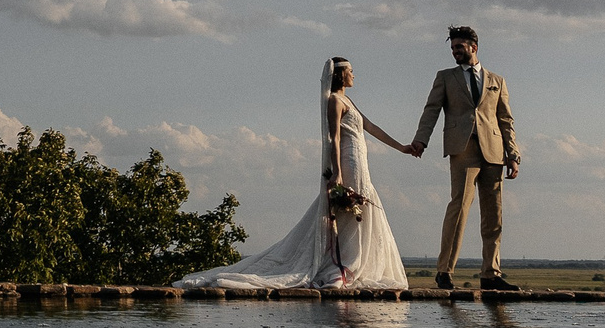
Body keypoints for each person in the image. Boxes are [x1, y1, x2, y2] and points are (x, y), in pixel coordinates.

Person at [176, 56, 421, 291]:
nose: (354, 75)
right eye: (350, 71)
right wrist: (337, 172)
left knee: (361, 207)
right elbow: (334, 138)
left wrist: (402, 147)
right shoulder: (334, 101)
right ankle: (343, 266)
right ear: (340, 75)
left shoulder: (349, 101)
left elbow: (372, 128)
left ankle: (350, 264)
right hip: (349, 159)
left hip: (360, 159)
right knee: (352, 209)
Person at [413, 24, 520, 290]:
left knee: (494, 215)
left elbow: (506, 120)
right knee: (459, 208)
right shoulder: (446, 77)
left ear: (474, 47)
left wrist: (513, 154)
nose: (455, 52)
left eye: (459, 47)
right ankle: (444, 271)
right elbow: (431, 110)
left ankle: (490, 274)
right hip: (462, 150)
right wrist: (421, 140)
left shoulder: (497, 80)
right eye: (452, 48)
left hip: (494, 152)